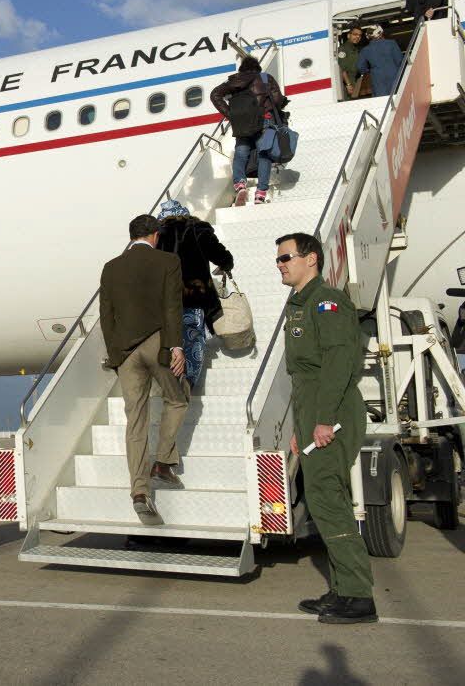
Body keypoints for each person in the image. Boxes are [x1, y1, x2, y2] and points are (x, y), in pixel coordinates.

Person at [275, 233, 376, 624]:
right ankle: (341, 589)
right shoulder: (300, 304)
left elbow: (337, 363)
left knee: (327, 498)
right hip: (314, 410)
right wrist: (303, 426)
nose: (281, 264)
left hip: (331, 410)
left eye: (286, 257)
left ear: (311, 259)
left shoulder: (327, 301)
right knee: (322, 499)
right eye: (278, 259)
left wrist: (322, 419)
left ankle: (358, 596)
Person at [99, 215, 188, 524]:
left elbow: (105, 315)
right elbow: (172, 306)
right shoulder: (168, 261)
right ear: (155, 236)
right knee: (177, 398)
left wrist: (115, 356)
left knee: (135, 421)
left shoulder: (111, 268)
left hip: (124, 351)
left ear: (131, 236)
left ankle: (139, 492)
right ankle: (163, 462)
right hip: (158, 343)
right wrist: (176, 346)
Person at [156, 200, 234, 394]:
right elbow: (219, 254)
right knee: (193, 338)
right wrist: (227, 264)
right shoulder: (198, 228)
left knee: (172, 339)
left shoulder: (157, 236)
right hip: (195, 296)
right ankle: (188, 382)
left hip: (166, 300)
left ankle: (172, 381)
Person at [211, 57, 288, 205]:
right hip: (264, 120)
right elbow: (277, 100)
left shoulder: (234, 80)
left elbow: (215, 95)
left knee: (241, 153)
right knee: (264, 154)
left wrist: (230, 114)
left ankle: (240, 184)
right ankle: (260, 193)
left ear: (242, 69)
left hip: (241, 122)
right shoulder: (265, 78)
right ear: (257, 68)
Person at [356, 26, 403, 98]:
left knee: (382, 101)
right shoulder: (391, 44)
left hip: (377, 79)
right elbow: (400, 61)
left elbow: (360, 67)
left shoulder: (365, 50)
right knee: (398, 98)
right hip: (395, 76)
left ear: (368, 36)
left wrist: (368, 71)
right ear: (381, 33)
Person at [336, 26, 365, 100]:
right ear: (349, 35)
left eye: (359, 35)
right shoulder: (343, 49)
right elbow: (341, 68)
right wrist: (348, 84)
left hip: (354, 80)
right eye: (355, 34)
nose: (357, 37)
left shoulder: (354, 48)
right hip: (347, 81)